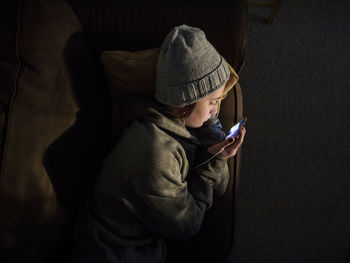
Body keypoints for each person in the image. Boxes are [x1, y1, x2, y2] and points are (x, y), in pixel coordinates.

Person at [72, 24, 246, 263]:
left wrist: (215, 140)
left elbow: (221, 186)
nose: (217, 110)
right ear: (183, 102)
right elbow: (187, 224)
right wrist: (213, 163)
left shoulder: (173, 119)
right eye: (213, 102)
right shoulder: (155, 156)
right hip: (114, 252)